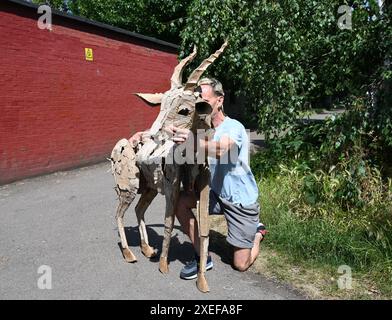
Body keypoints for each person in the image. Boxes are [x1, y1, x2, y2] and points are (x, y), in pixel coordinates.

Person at [166, 78, 267, 280]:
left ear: (219, 101)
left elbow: (220, 150)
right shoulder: (202, 130)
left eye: (203, 102)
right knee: (178, 203)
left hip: (240, 200)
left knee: (240, 264)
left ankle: (257, 232)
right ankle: (203, 255)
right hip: (216, 193)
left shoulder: (233, 127)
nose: (198, 108)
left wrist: (192, 142)